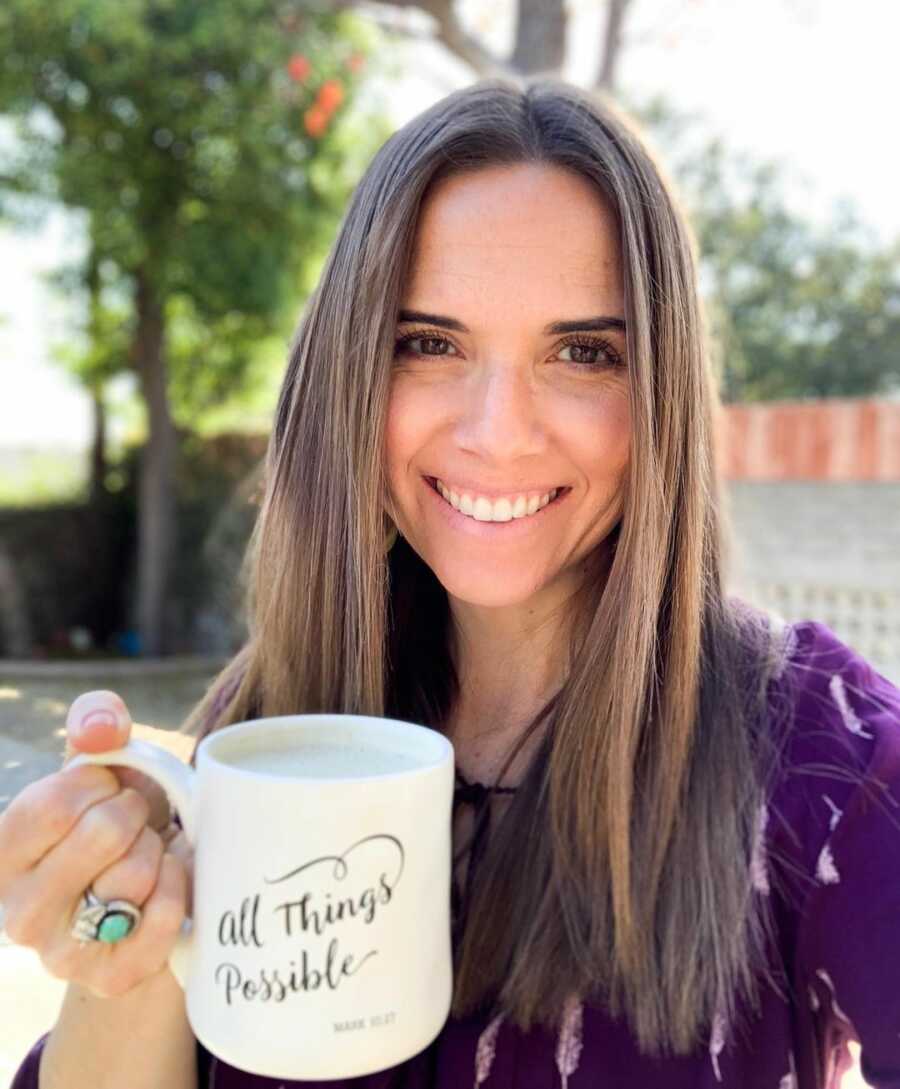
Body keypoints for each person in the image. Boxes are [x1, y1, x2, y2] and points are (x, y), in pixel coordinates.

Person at [3, 75, 900, 1089]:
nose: (498, 433)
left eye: (585, 352)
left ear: (661, 391)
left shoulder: (829, 758)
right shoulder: (267, 727)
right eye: (428, 343)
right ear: (350, 375)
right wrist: (130, 948)